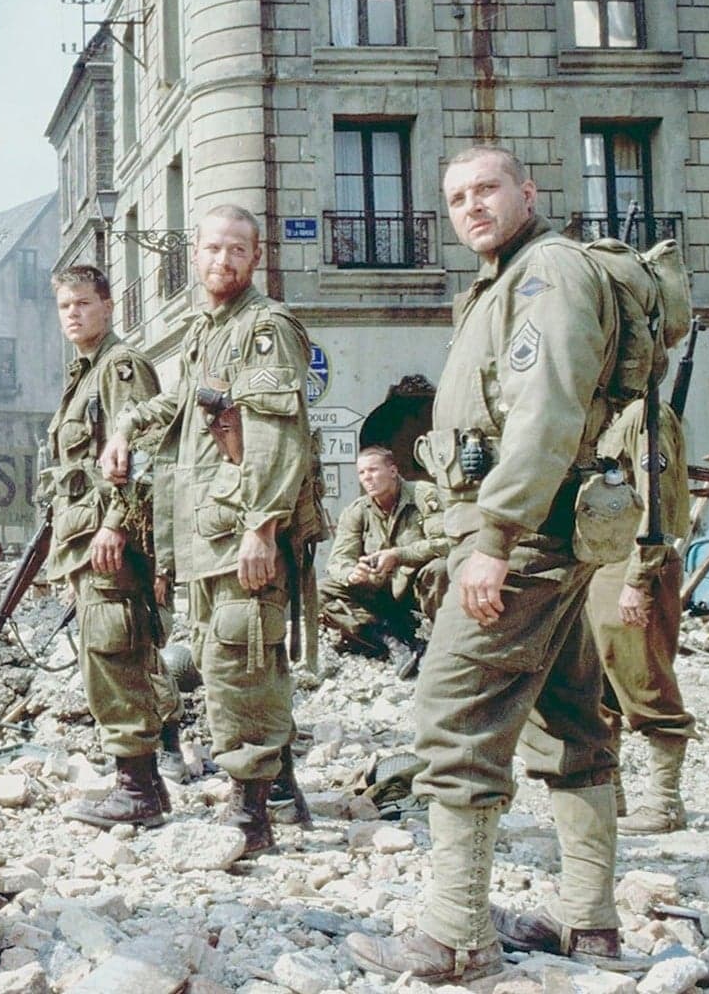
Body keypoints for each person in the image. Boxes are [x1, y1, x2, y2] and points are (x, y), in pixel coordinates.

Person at [347, 146, 629, 982]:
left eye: (487, 189)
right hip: (545, 531)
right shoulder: (506, 280)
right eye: (457, 197)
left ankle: (457, 937)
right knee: (570, 719)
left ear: (526, 193)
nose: (472, 206)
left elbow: (547, 413)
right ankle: (589, 924)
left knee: (455, 713)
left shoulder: (547, 274)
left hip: (525, 536)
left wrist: (496, 540)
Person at [98, 205, 321, 857]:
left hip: (240, 531)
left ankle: (251, 817)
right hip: (208, 533)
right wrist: (125, 426)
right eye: (213, 249)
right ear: (194, 254)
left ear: (256, 258)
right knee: (237, 656)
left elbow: (276, 436)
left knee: (237, 662)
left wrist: (262, 526)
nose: (223, 260)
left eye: (237, 250)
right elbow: (182, 404)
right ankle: (279, 794)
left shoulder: (263, 328)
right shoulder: (208, 330)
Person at [39, 264, 178, 829]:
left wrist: (116, 524)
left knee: (114, 652)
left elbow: (143, 453)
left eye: (83, 304)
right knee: (112, 652)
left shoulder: (121, 367)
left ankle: (137, 789)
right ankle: (148, 782)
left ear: (108, 306)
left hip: (109, 541)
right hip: (88, 538)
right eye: (64, 306)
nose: (73, 314)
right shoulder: (86, 373)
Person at [588, 397, 695, 834]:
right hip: (600, 562)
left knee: (644, 677)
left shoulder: (644, 415)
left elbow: (656, 497)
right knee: (599, 684)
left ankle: (665, 802)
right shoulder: (604, 414)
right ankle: (609, 795)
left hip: (633, 563)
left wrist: (639, 576)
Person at [320, 446, 447, 676]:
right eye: (361, 473)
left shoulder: (423, 495)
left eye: (373, 470)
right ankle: (393, 640)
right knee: (322, 590)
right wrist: (352, 573)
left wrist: (399, 555)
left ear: (393, 471)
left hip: (416, 589)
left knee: (441, 569)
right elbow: (338, 560)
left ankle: (442, 645)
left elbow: (446, 543)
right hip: (379, 591)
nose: (367, 478)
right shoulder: (357, 511)